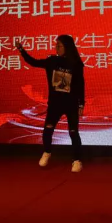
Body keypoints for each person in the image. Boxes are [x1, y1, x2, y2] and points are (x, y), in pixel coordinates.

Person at [15, 35, 85, 172]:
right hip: (55, 104)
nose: (56, 48)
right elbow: (33, 62)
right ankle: (47, 152)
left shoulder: (76, 63)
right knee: (48, 130)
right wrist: (21, 50)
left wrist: (81, 104)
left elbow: (80, 85)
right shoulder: (52, 61)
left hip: (71, 104)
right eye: (56, 45)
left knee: (73, 132)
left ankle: (76, 160)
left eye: (59, 45)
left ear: (67, 47)